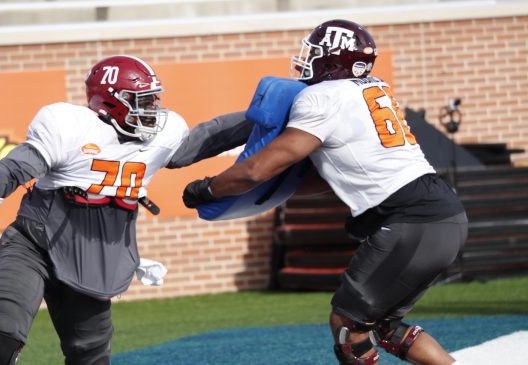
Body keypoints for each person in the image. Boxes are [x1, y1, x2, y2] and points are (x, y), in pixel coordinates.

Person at [182, 19, 468, 365]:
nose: (305, 59)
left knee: (348, 327)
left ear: (332, 60)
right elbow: (331, 175)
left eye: (313, 53)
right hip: (444, 216)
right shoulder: (373, 87)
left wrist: (208, 189)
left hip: (409, 221)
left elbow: (261, 167)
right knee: (384, 327)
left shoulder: (323, 96)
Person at [0, 55, 252, 365]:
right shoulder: (69, 127)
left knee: (91, 358)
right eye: (141, 100)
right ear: (112, 101)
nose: (152, 108)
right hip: (34, 246)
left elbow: (212, 135)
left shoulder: (161, 138)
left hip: (92, 259)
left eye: (153, 99)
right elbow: (14, 166)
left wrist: (265, 115)